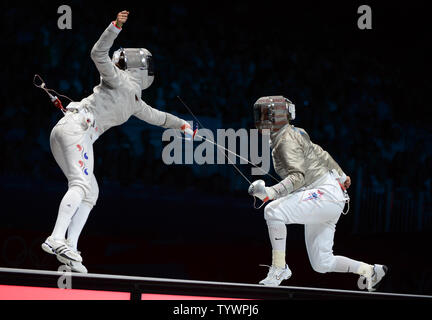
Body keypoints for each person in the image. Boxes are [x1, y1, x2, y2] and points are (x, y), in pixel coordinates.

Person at [41, 10, 194, 273]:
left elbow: (158, 117)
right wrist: (115, 27)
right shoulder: (118, 78)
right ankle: (55, 238)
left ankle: (70, 248)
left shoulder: (135, 101)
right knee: (80, 184)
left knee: (91, 192)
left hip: (74, 133)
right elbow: (98, 54)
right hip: (75, 129)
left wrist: (181, 124)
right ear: (140, 67)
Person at [248, 95, 387, 291]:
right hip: (328, 197)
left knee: (273, 212)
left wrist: (270, 192)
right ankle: (370, 271)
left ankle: (279, 267)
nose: (260, 120)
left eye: (264, 115)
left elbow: (298, 177)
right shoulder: (295, 133)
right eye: (259, 114)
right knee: (322, 263)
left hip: (323, 194)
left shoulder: (286, 140)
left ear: (276, 116)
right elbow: (320, 153)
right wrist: (341, 174)